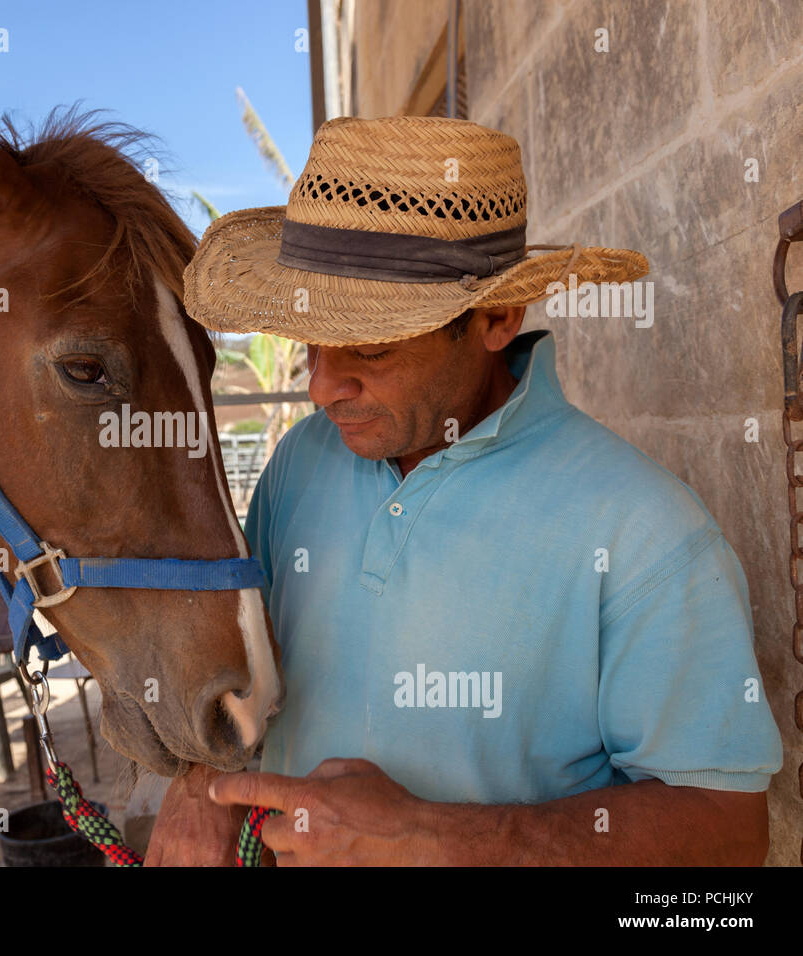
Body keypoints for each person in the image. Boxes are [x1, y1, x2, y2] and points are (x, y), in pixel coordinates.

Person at [146, 115, 783, 865]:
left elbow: (728, 831)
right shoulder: (299, 464)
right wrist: (202, 783)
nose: (320, 386)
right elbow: (242, 656)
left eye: (370, 349)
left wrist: (438, 840)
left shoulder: (644, 533)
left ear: (496, 317)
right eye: (309, 341)